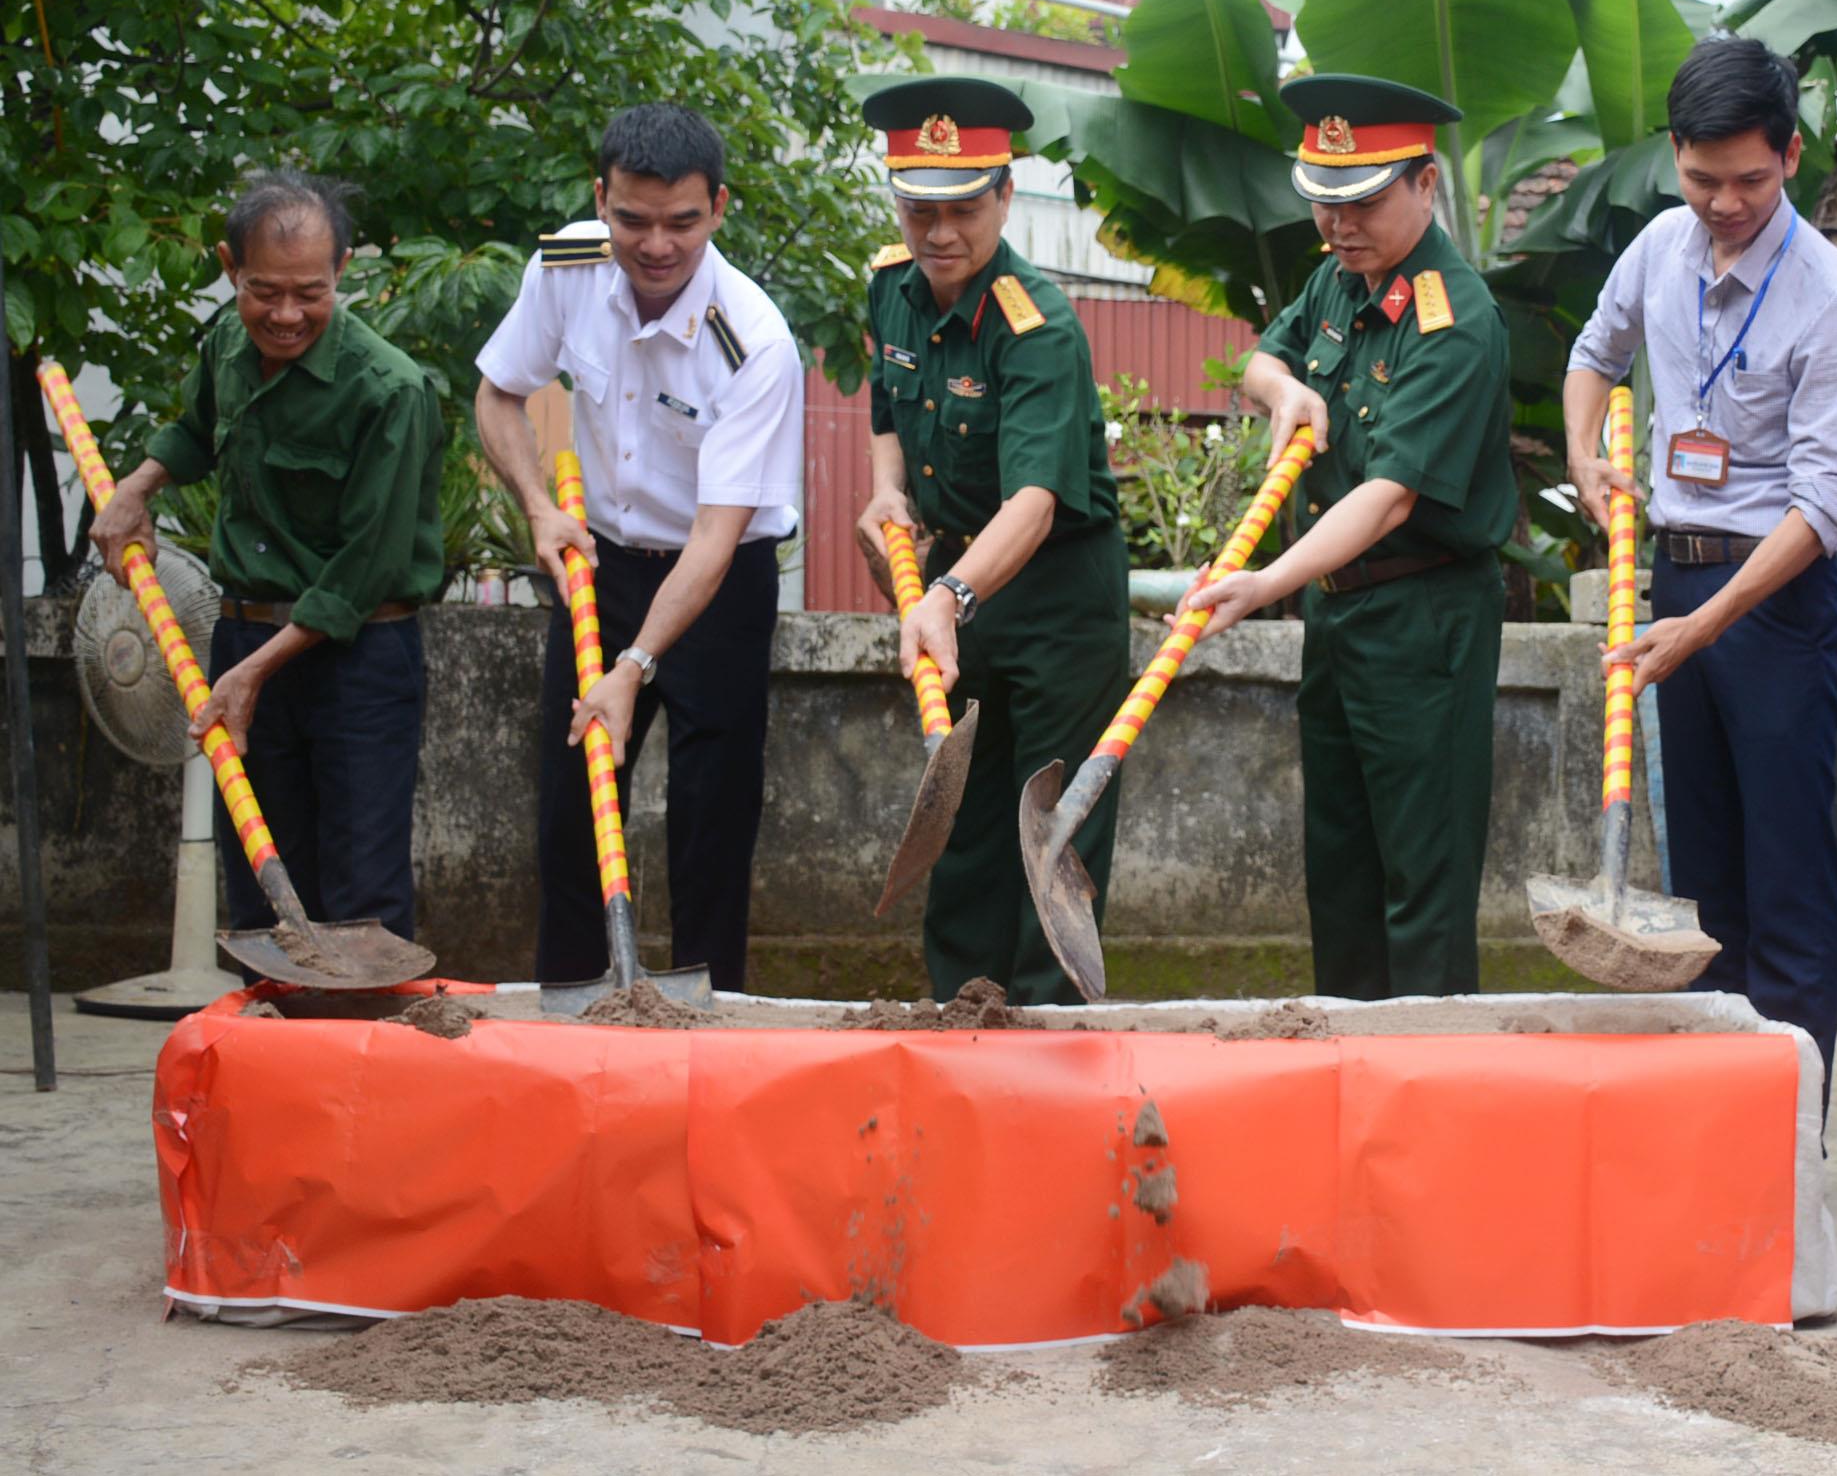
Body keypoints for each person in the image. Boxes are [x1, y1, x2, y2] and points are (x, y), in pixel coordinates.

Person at [1563, 36, 1837, 1100]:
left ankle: (1793, 1137)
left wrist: (1705, 627)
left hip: (1772, 595)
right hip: (1673, 579)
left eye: (1749, 178)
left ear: (1791, 155)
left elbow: (1821, 509)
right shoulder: (1659, 245)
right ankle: (1721, 1116)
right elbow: (1592, 354)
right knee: (1704, 883)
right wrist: (1583, 452)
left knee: (1786, 875)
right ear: (1674, 156)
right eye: (1703, 179)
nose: (1725, 202)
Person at [1186, 75, 1516, 1000]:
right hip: (1341, 615)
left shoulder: (1457, 321)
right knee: (1339, 868)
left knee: (1422, 878)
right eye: (1324, 203)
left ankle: (1429, 1095)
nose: (1339, 226)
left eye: (1362, 202)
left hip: (1425, 617)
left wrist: (1260, 583)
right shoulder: (1338, 280)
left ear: (1424, 185)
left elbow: (1389, 498)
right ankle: (1346, 1075)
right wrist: (1282, 391)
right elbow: (1266, 356)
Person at [474, 103, 802, 992]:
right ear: (601, 200)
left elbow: (714, 535)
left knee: (709, 823)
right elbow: (498, 395)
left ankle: (707, 1024)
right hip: (601, 567)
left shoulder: (755, 341)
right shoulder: (567, 265)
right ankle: (574, 1015)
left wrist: (634, 666)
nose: (656, 245)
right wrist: (540, 507)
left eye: (682, 223)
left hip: (719, 584)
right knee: (574, 815)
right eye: (633, 220)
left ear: (719, 208)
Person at [90, 170, 445, 943]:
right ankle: (270, 1053)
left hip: (358, 658)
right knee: (261, 884)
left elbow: (363, 570)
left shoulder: (390, 390)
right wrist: (136, 489)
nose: (285, 316)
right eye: (263, 291)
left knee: (359, 895)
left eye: (309, 294)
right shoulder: (227, 342)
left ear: (342, 270)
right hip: (244, 638)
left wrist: (251, 675)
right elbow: (192, 431)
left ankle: (359, 1058)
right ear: (230, 268)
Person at [854, 76, 1130, 1005]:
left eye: (963, 209)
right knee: (964, 814)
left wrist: (947, 597)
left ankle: (1051, 1028)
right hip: (962, 583)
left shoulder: (1035, 323)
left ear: (1005, 197)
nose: (939, 234)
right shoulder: (890, 289)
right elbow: (889, 408)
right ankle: (961, 1009)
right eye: (919, 208)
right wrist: (887, 492)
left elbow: (1037, 503)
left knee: (1047, 824)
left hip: (1053, 592)